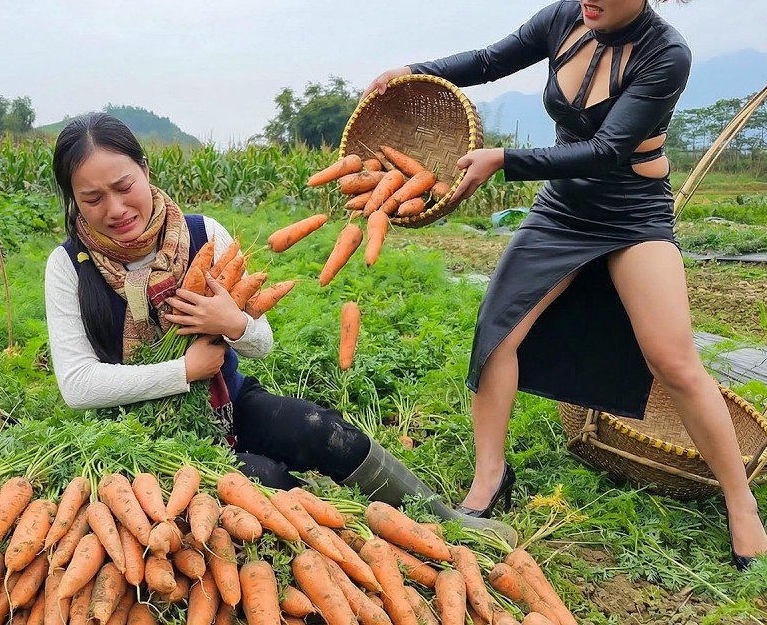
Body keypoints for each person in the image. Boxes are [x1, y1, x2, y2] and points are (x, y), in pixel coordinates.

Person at [363, 0, 767, 569]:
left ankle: (739, 500)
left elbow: (609, 149)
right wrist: (411, 70)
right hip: (563, 209)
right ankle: (490, 478)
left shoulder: (666, 54)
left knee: (673, 360)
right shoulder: (562, 19)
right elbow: (489, 60)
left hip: (632, 214)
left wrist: (506, 160)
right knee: (497, 332)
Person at [43, 112, 517, 544]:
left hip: (227, 405)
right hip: (140, 439)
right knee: (266, 480)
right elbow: (77, 385)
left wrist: (233, 323)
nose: (115, 208)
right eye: (93, 199)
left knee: (326, 431)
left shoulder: (203, 234)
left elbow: (262, 344)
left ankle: (448, 526)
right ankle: (360, 540)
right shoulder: (68, 267)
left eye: (124, 186)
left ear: (145, 170)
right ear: (74, 200)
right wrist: (183, 370)